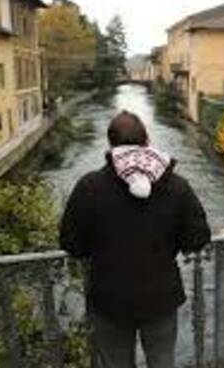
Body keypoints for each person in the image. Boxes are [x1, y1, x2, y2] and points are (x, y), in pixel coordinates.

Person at [60, 110, 211, 367]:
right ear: (146, 140)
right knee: (162, 361)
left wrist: (99, 249)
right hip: (161, 296)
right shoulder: (176, 185)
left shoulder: (89, 187)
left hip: (108, 299)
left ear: (110, 144)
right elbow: (198, 236)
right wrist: (168, 247)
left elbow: (71, 243)